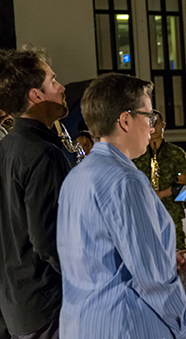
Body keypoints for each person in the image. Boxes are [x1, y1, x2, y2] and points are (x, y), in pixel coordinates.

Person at [57, 73, 186, 339]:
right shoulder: (126, 180)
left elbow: (97, 256)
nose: (153, 127)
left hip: (82, 324)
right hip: (126, 325)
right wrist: (185, 330)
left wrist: (165, 254)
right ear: (125, 120)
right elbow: (153, 279)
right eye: (148, 116)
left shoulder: (76, 176)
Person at [0, 47, 70, 339]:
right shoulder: (42, 154)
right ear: (35, 95)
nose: (62, 87)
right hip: (48, 305)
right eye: (53, 81)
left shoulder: (9, 146)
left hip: (18, 303)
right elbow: (48, 240)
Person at [132, 110, 186, 249]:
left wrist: (160, 195)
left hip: (170, 210)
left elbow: (183, 183)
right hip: (144, 210)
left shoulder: (176, 153)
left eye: (156, 123)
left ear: (163, 125)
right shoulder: (136, 153)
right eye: (149, 123)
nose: (153, 128)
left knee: (176, 251)